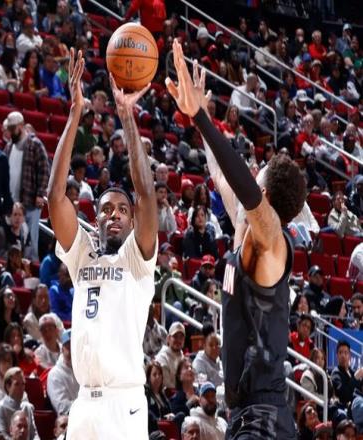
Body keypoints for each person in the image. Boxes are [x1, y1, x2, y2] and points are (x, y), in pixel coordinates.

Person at [166, 40, 306, 438]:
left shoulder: (271, 243)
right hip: (248, 413)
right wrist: (197, 117)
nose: (250, 173)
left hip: (263, 416)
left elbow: (246, 191)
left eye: (257, 174)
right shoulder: (245, 234)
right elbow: (222, 176)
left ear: (263, 194)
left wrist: (203, 119)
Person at [48, 49, 158, 439]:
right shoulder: (83, 254)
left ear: (132, 220)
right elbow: (55, 197)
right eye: (106, 209)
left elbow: (147, 196)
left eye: (122, 210)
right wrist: (75, 114)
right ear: (95, 219)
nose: (114, 214)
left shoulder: (137, 258)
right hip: (84, 405)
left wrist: (127, 117)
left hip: (123, 402)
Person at [3, 112, 49, 262]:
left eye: (13, 128)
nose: (11, 132)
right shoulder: (9, 146)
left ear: (21, 126)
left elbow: (44, 169)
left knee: (30, 242)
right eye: (9, 129)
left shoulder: (35, 144)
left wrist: (40, 194)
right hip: (12, 203)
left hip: (30, 201)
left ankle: (32, 267)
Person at [0, 367, 40, 439]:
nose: (21, 388)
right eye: (17, 384)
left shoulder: (27, 407)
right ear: (8, 386)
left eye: (23, 384)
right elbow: (0, 437)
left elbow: (34, 435)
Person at [47, 329, 79, 416]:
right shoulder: (55, 374)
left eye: (75, 347)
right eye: (69, 348)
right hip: (70, 420)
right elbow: (62, 407)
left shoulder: (86, 369)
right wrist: (87, 404)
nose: (73, 352)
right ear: (62, 349)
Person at [330, 340, 363, 408]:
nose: (343, 355)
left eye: (346, 352)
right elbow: (344, 395)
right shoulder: (336, 373)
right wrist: (355, 378)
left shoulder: (352, 371)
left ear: (350, 355)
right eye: (340, 352)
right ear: (337, 355)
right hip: (348, 408)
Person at [144, 361, 173, 433]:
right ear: (149, 377)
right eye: (154, 374)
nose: (158, 377)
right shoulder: (146, 394)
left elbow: (169, 411)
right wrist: (161, 419)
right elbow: (149, 414)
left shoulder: (162, 394)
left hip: (166, 425)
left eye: (160, 374)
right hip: (155, 428)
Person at [155, 322, 186, 389]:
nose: (178, 340)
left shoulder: (182, 357)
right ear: (168, 338)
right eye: (175, 336)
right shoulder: (162, 358)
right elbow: (168, 386)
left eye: (181, 337)